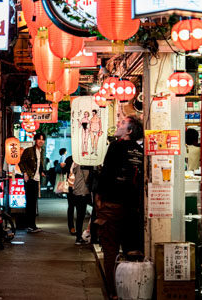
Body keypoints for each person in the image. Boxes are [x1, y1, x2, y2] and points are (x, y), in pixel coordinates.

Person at [94, 116, 144, 300]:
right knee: (130, 250)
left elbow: (106, 174)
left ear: (129, 131)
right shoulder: (139, 151)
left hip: (112, 206)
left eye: (122, 123)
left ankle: (113, 292)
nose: (118, 124)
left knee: (110, 250)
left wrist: (98, 198)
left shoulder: (116, 146)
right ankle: (131, 292)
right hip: (132, 209)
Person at [18, 132, 46, 233]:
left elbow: (39, 164)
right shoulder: (29, 150)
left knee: (33, 203)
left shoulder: (41, 151)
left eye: (43, 139)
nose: (41, 141)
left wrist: (41, 172)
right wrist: (25, 173)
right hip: (29, 178)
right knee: (30, 203)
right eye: (39, 139)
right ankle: (30, 226)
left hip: (37, 179)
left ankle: (32, 225)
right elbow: (21, 162)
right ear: (35, 140)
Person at [68, 160, 92, 245]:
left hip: (78, 191)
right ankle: (78, 238)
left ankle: (79, 238)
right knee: (80, 216)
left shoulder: (76, 162)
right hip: (82, 192)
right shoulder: (81, 163)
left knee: (80, 215)